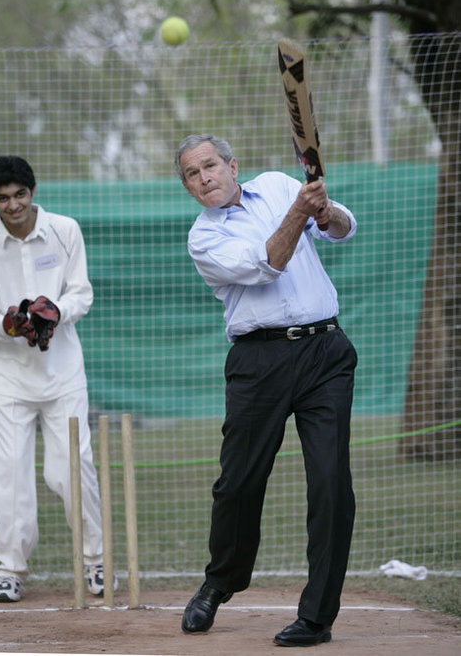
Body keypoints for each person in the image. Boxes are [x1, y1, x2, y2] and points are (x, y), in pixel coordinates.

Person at [175, 134, 358, 647]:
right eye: (192, 174)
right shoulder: (203, 239)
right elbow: (267, 262)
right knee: (239, 482)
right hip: (259, 361)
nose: (204, 177)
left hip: (326, 351)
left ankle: (317, 617)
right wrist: (302, 213)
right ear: (188, 188)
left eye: (210, 165)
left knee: (331, 485)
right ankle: (220, 582)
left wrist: (325, 214)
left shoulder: (279, 185)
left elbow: (343, 228)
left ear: (233, 165)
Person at [0, 156, 117, 602]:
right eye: (3, 198)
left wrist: (55, 313)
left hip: (63, 373)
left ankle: (96, 561)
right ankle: (9, 570)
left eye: (20, 195)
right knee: (9, 474)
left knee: (70, 470)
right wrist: (9, 325)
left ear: (33, 191)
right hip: (9, 378)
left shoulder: (65, 230)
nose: (13, 205)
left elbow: (80, 293)